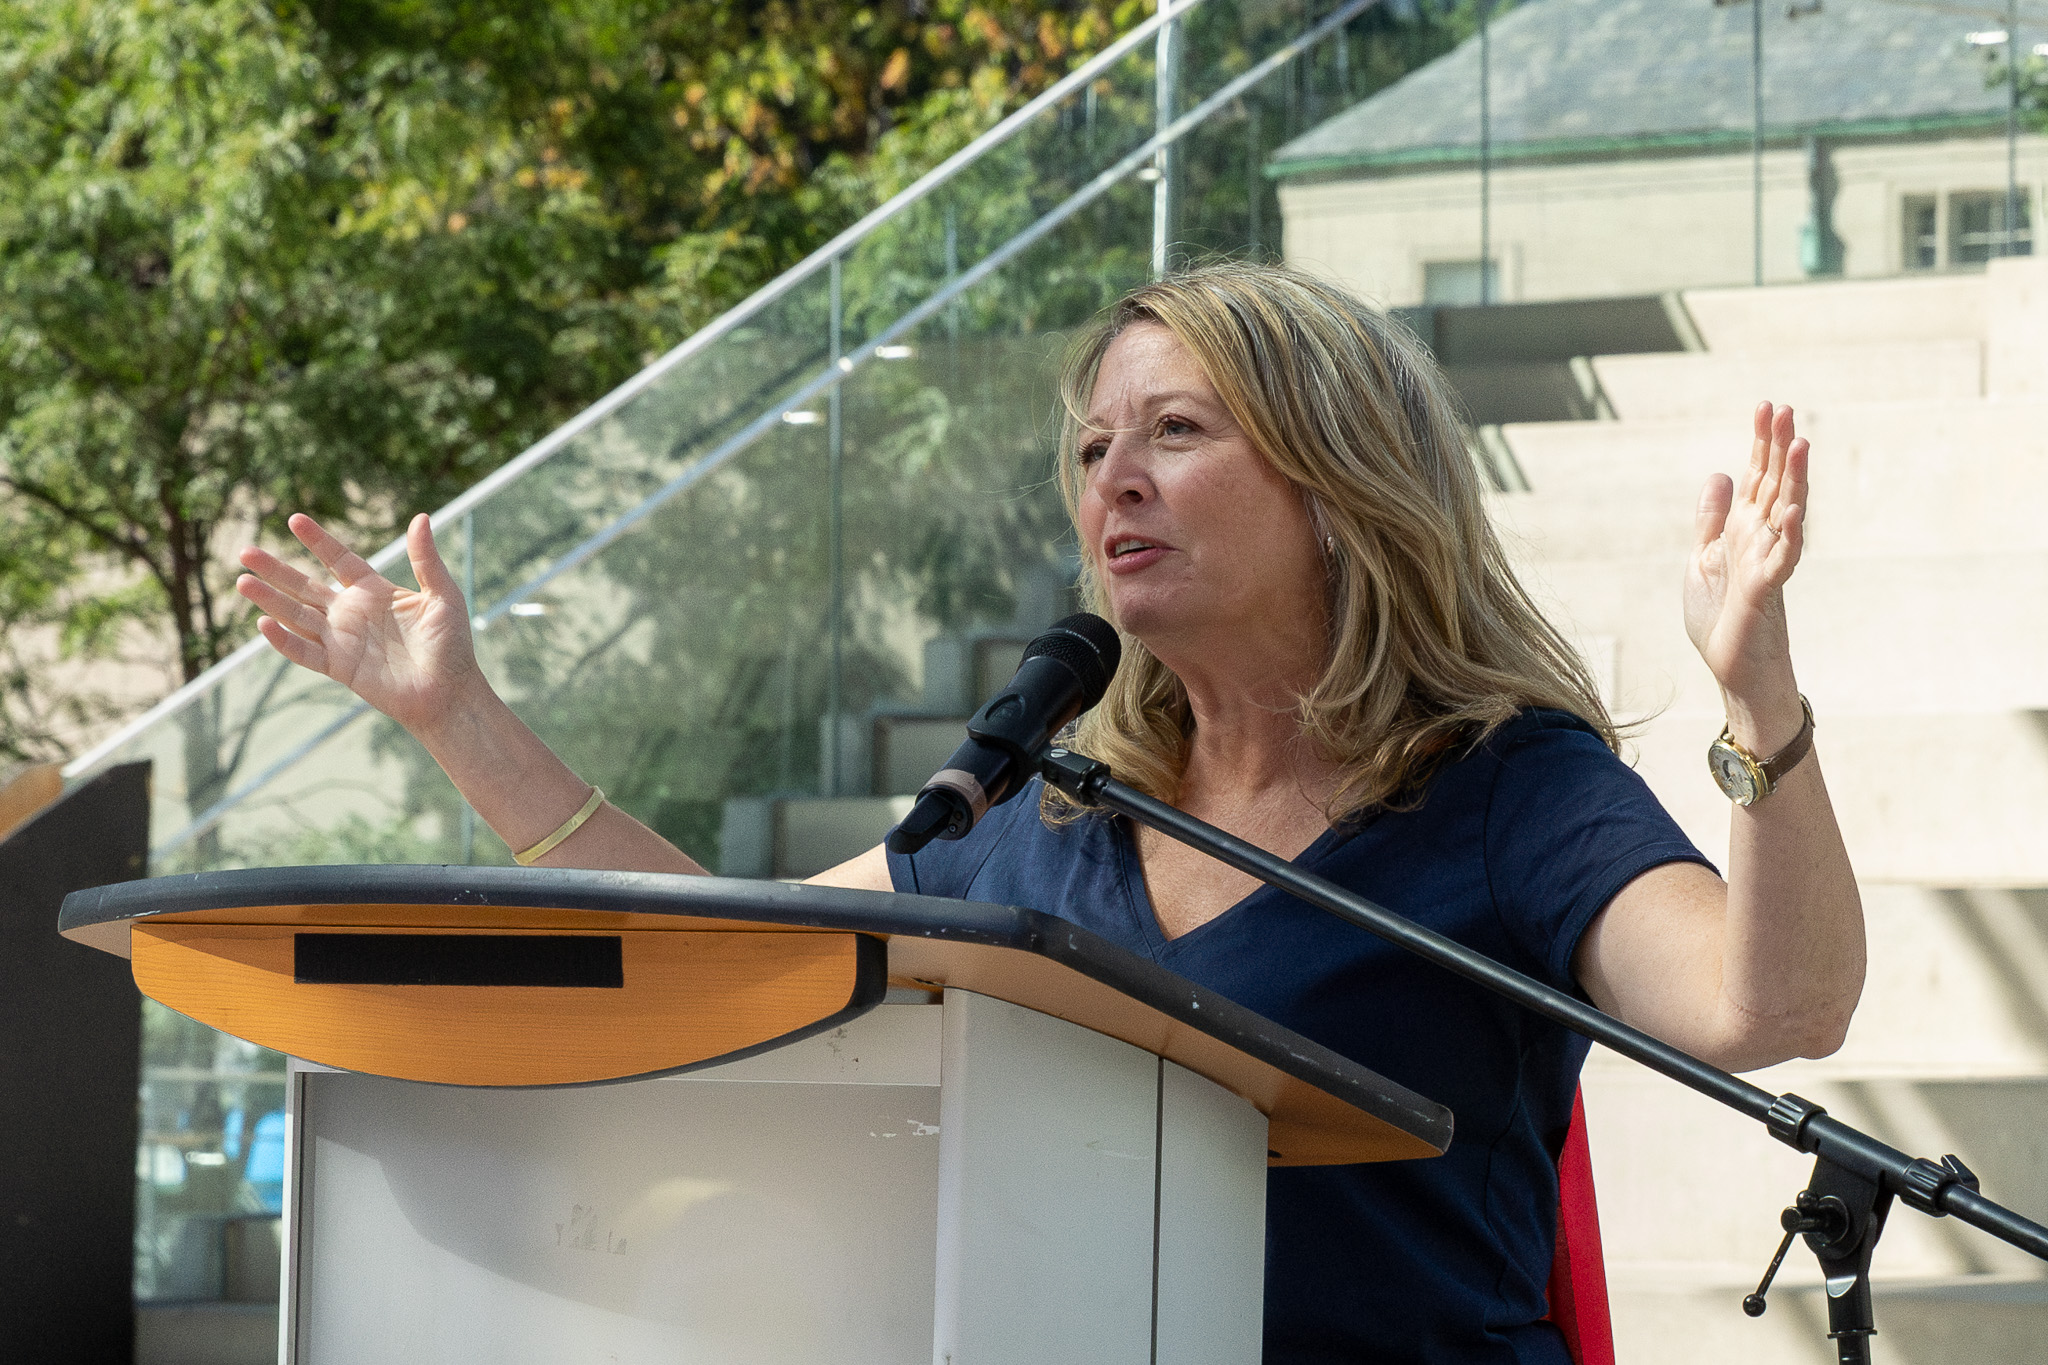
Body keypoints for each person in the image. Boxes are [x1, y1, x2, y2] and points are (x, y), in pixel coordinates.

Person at [236, 263, 1862, 1363]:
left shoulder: (1504, 788)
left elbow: (1772, 1002)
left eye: (1175, 430)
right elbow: (732, 964)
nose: (1113, 482)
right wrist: (460, 714)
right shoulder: (1042, 811)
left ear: (1337, 481)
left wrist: (1757, 706)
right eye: (1093, 448)